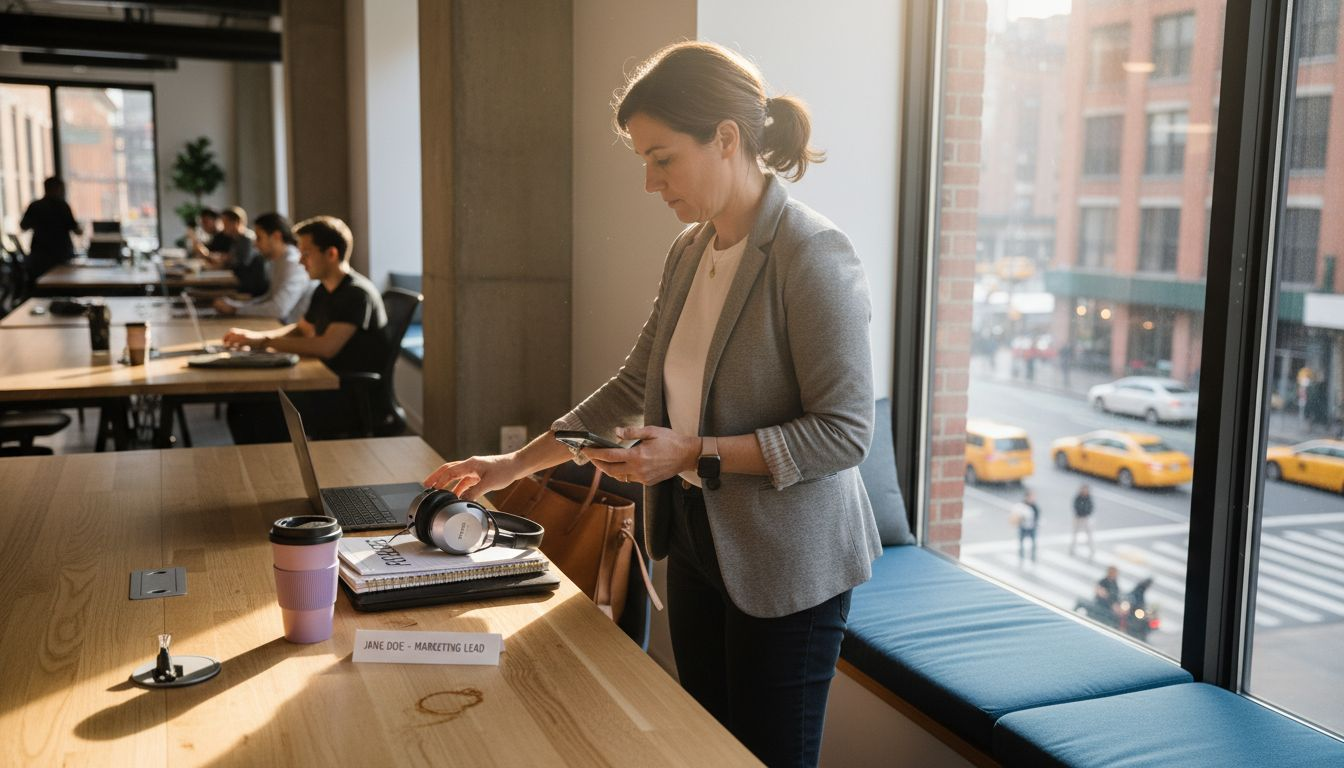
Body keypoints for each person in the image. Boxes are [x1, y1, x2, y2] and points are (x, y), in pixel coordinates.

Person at [421, 41, 878, 767]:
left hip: (788, 561)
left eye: (662, 158)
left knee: (767, 757)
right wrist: (514, 465)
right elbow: (635, 383)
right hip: (697, 535)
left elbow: (846, 433)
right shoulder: (690, 250)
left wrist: (693, 453)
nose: (648, 182)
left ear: (726, 138)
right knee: (707, 747)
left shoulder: (811, 253)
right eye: (643, 160)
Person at [222, 215, 388, 442]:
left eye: (306, 254)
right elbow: (300, 328)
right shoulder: (324, 290)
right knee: (243, 406)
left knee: (253, 411)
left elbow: (325, 347)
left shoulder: (356, 294)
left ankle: (275, 473)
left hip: (348, 397)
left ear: (331, 254)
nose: (300, 261)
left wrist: (262, 343)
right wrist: (255, 338)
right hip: (326, 383)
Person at [212, 212, 315, 323]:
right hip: (279, 325)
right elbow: (270, 297)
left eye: (259, 238)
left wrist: (236, 309)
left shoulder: (293, 263)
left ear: (276, 236)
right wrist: (236, 305)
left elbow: (278, 309)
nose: (255, 244)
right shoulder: (279, 260)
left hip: (292, 332)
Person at [19, 176, 82, 289]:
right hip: (61, 257)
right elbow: (77, 231)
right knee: (65, 287)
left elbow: (23, 226)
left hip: (39, 258)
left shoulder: (35, 206)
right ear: (57, 188)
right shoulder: (62, 206)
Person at [206, 206, 268, 297]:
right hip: (239, 281)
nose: (223, 227)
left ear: (237, 222)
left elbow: (241, 264)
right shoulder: (236, 238)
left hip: (246, 286)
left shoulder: (246, 239)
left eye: (226, 223)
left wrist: (225, 261)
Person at [1011, 488, 1040, 564]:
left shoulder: (1034, 506)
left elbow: (1037, 516)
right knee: (1021, 543)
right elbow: (1016, 517)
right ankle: (1021, 557)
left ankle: (1032, 557)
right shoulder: (1021, 506)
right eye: (1031, 497)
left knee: (1033, 543)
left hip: (1031, 528)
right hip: (1023, 527)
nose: (1033, 498)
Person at [1070, 483, 1095, 559]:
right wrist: (1080, 513)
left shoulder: (1088, 498)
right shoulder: (1078, 497)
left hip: (1086, 518)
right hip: (1078, 517)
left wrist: (1086, 513)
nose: (1085, 491)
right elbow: (1075, 506)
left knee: (1089, 535)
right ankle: (1072, 548)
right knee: (1075, 534)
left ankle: (1091, 550)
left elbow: (1091, 507)